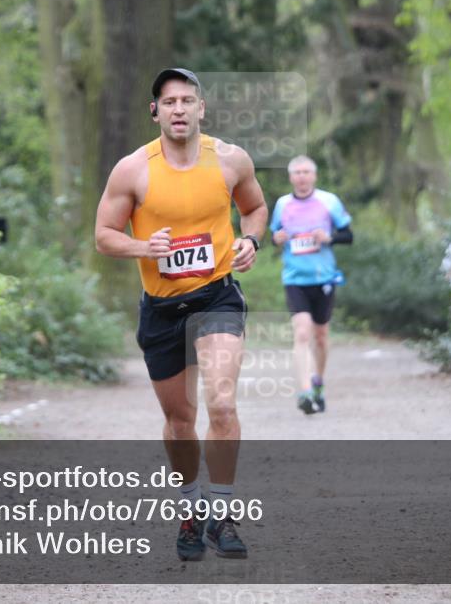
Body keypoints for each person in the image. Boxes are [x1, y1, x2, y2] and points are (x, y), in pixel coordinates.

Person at [95, 68, 268, 561]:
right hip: (162, 309)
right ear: (155, 112)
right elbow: (104, 235)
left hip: (217, 298)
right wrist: (142, 247)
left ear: (201, 109)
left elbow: (256, 209)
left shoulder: (230, 159)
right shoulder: (132, 170)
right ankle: (191, 511)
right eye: (169, 102)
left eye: (187, 101)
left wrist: (251, 240)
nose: (178, 109)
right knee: (179, 420)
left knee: (222, 404)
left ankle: (223, 515)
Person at [270, 156, 353, 415]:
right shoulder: (283, 204)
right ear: (291, 177)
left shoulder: (329, 201)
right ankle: (305, 392)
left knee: (321, 335)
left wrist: (328, 238)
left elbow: (348, 235)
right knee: (302, 332)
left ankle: (318, 381)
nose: (302, 177)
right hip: (295, 279)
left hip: (323, 278)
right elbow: (274, 235)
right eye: (297, 172)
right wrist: (277, 238)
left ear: (314, 176)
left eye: (306, 172)